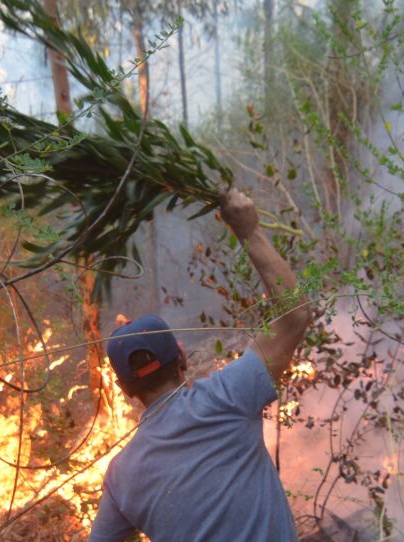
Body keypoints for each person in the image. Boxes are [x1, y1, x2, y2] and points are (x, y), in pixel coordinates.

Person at [88, 188, 312, 542]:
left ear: (124, 389)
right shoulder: (227, 397)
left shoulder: (121, 476)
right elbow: (295, 315)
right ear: (180, 357)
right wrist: (248, 230)